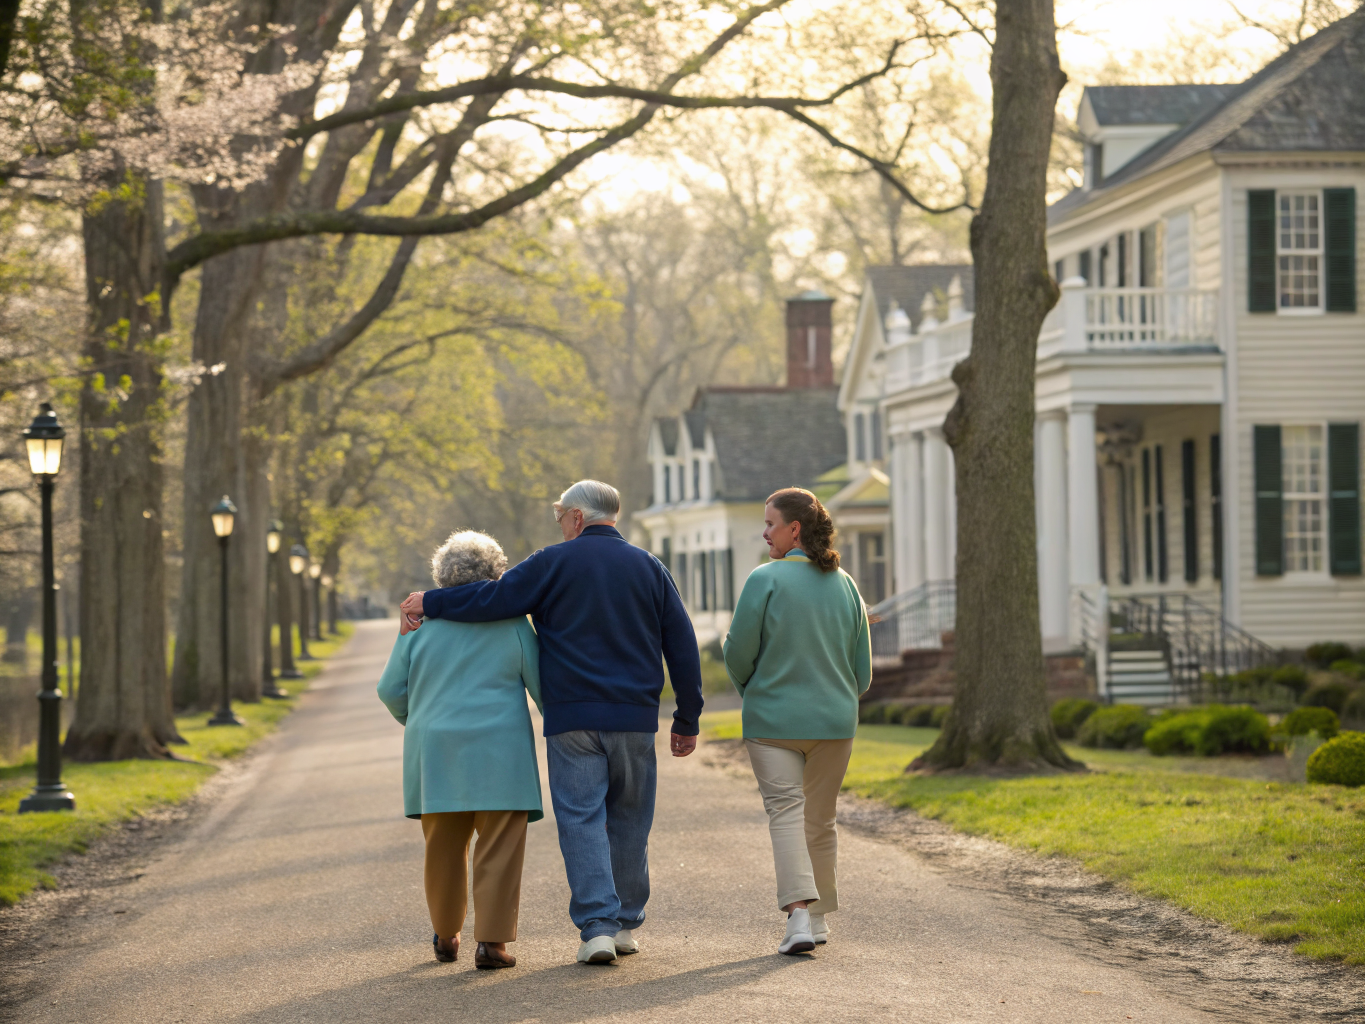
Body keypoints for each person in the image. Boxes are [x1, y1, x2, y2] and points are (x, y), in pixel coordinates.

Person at [399, 479, 703, 965]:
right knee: (629, 818)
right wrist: (687, 716)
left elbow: (492, 601)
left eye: (561, 514)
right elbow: (681, 642)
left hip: (573, 720)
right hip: (634, 717)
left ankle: (597, 928)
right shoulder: (649, 567)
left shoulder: (552, 562)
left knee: (581, 819)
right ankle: (625, 922)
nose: (559, 523)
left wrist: (428, 602)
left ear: (578, 517)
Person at [378, 531, 544, 970]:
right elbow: (543, 687)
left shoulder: (419, 626)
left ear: (441, 577)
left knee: (443, 845)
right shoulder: (512, 623)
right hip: (500, 750)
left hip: (436, 752)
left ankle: (446, 933)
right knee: (500, 845)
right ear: (496, 574)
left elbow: (390, 690)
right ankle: (492, 944)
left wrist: (419, 722)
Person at [723, 487, 871, 955]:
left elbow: (738, 653)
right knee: (820, 820)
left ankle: (800, 918)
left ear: (795, 529)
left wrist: (755, 690)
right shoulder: (846, 584)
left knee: (786, 813)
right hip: (835, 722)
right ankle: (820, 919)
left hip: (773, 721)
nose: (764, 532)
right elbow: (862, 671)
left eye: (770, 524)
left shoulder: (763, 579)